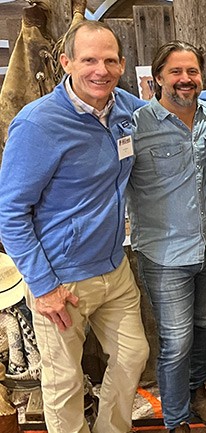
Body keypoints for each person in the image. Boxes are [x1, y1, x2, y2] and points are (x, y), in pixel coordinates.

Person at [0, 20, 150, 433]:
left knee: (133, 356)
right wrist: (44, 286)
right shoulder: (38, 124)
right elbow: (10, 214)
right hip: (61, 280)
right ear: (66, 62)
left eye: (108, 60)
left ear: (121, 65)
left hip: (114, 270)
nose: (99, 70)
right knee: (64, 380)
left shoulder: (125, 107)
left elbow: (167, 110)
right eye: (88, 60)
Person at [126, 41, 206, 433]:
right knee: (175, 341)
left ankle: (196, 393)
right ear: (157, 78)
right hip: (163, 252)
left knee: (204, 327)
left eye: (192, 72)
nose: (185, 80)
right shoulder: (136, 126)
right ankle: (175, 420)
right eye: (175, 72)